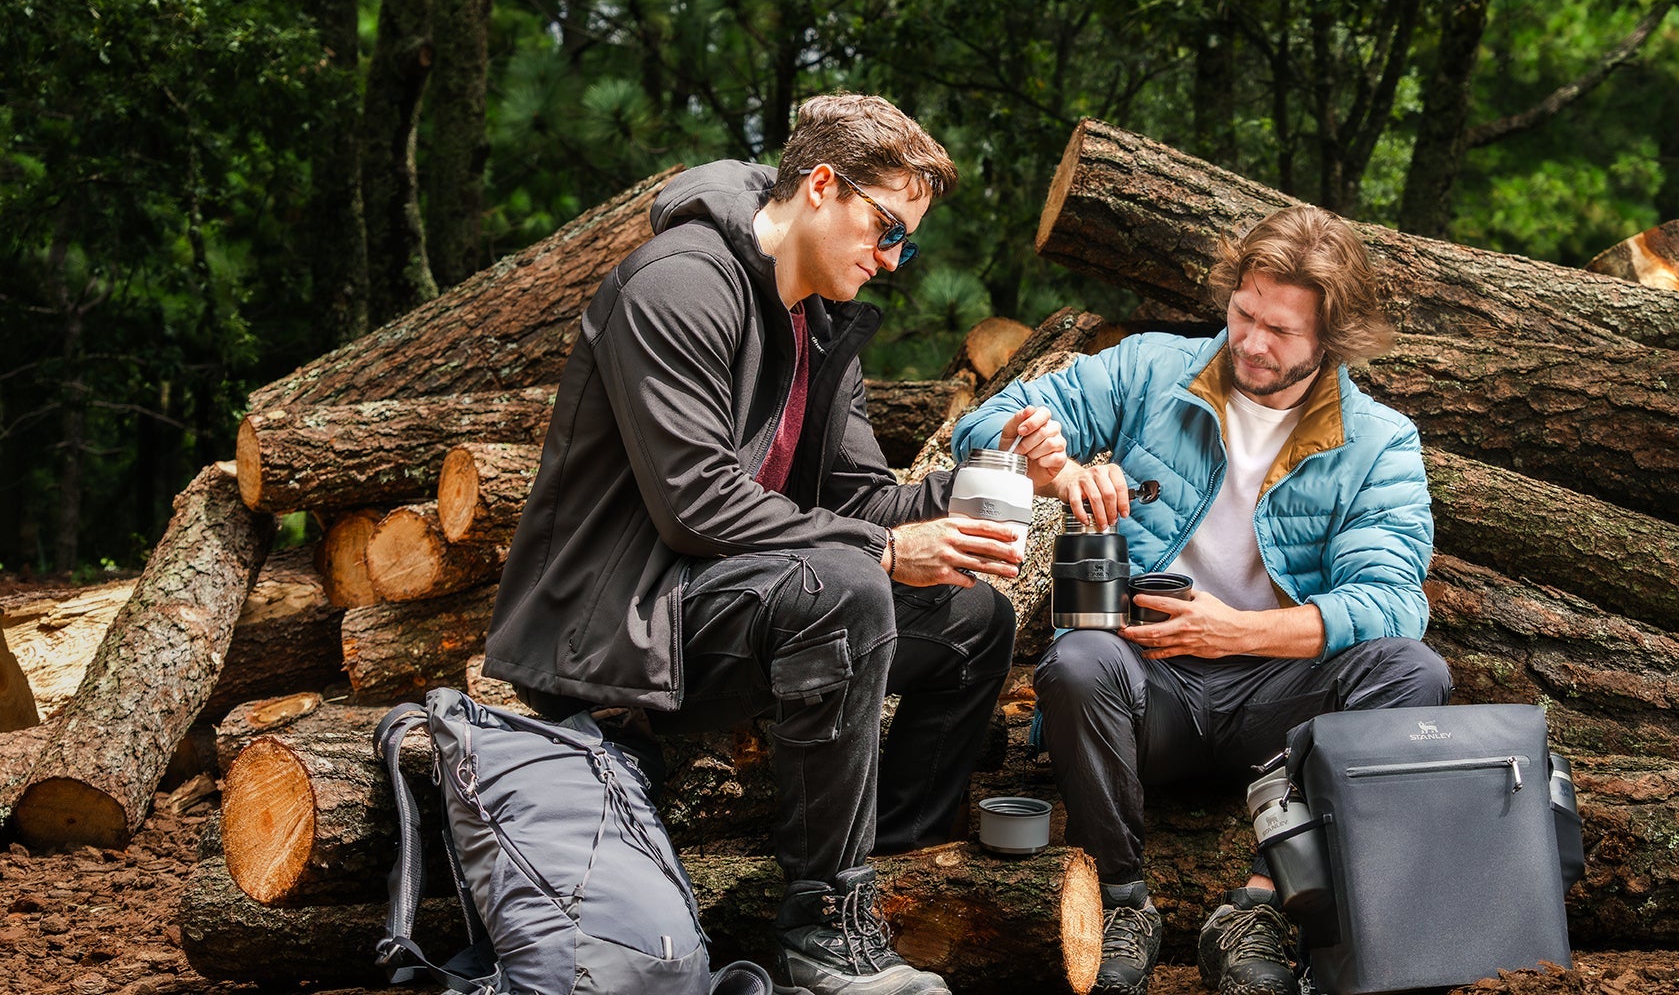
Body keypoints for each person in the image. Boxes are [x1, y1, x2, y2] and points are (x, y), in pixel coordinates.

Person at [484, 93, 1063, 995]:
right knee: (848, 585)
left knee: (972, 618)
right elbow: (695, 505)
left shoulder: (821, 320)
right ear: (822, 186)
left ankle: (897, 874)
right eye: (885, 230)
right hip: (621, 626)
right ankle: (824, 927)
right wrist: (880, 554)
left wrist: (1003, 478)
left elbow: (868, 496)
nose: (891, 260)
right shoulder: (676, 281)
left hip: (733, 605)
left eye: (904, 243)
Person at [951, 205, 1451, 995]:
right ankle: (1122, 903)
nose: (1252, 342)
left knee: (1413, 673)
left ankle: (1259, 908)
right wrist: (1044, 463)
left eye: (1280, 331)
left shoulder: (1379, 440)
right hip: (1151, 689)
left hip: (1279, 708)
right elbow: (978, 431)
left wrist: (1239, 630)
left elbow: (1391, 602)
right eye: (1244, 314)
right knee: (1078, 661)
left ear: (1331, 337)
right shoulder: (1152, 367)